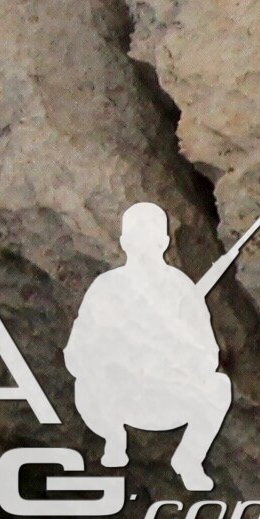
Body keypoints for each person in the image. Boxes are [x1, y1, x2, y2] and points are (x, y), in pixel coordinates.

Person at [67, 202, 237, 491]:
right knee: (91, 378)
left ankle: (189, 460)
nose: (145, 247)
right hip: (117, 397)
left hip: (167, 396)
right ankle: (113, 438)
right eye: (137, 239)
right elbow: (76, 353)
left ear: (165, 242)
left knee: (218, 388)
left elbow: (208, 355)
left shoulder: (181, 289)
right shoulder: (106, 288)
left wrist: (178, 353)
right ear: (124, 243)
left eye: (152, 239)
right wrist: (113, 354)